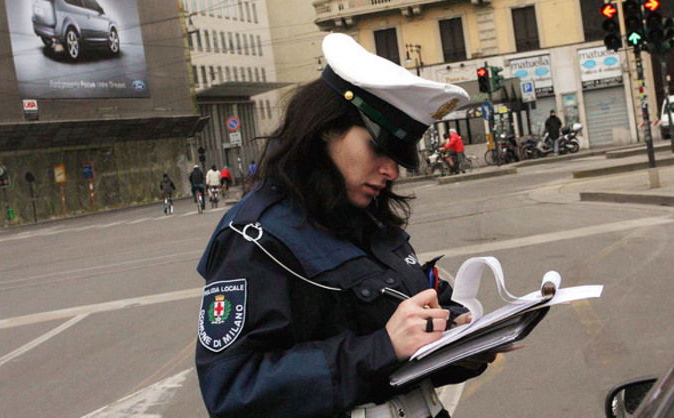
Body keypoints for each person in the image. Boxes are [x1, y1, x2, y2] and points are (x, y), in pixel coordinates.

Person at [195, 33, 497, 418]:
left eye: (400, 156)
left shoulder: (365, 216)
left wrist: (457, 341)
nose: (391, 171)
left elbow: (400, 345)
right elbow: (233, 387)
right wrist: (383, 348)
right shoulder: (254, 237)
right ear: (325, 129)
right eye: (379, 148)